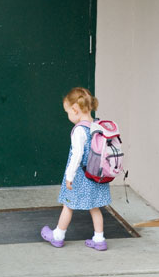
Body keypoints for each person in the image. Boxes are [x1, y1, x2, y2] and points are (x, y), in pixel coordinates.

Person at [41, 87, 111, 251]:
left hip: (80, 176)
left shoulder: (79, 130)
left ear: (75, 109)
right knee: (95, 207)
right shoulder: (97, 125)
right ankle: (99, 239)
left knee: (68, 205)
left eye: (67, 112)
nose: (68, 116)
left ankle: (58, 235)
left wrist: (69, 176)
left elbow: (77, 155)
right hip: (96, 175)